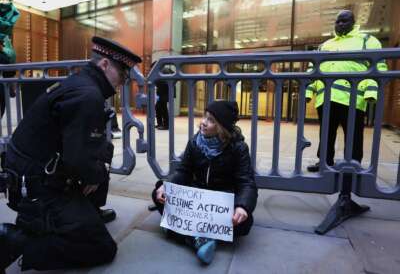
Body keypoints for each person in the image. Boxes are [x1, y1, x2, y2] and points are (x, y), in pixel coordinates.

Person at [0, 36, 142, 272]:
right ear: (105, 65)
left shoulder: (80, 83)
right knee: (102, 247)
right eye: (123, 75)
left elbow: (83, 149)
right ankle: (20, 242)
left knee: (101, 153)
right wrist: (92, 175)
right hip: (36, 186)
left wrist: (94, 170)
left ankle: (84, 215)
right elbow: (78, 160)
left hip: (30, 173)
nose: (124, 82)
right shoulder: (88, 96)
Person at [152, 100, 258, 265]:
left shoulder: (238, 148)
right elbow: (183, 171)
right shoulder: (195, 142)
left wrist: (242, 207)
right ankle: (198, 238)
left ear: (221, 127)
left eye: (210, 120)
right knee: (158, 192)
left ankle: (180, 232)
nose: (203, 122)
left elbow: (246, 183)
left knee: (245, 223)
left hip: (221, 203)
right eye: (204, 117)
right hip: (197, 200)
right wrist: (167, 186)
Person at [306, 10, 387, 172]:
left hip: (352, 98)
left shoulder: (367, 40)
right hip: (326, 97)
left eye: (345, 21)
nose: (340, 24)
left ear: (354, 22)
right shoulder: (325, 45)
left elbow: (379, 67)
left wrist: (371, 92)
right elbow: (313, 69)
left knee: (354, 134)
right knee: (326, 133)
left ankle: (353, 165)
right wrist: (308, 92)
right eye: (338, 22)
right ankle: (324, 162)